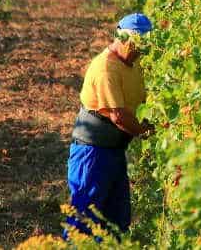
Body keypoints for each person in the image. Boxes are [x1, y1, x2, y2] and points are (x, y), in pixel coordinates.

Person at [65, 13, 155, 238]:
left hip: (114, 152)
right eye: (137, 44)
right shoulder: (106, 68)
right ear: (122, 38)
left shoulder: (132, 64)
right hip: (92, 154)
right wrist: (148, 133)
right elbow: (119, 116)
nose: (140, 51)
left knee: (116, 222)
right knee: (84, 221)